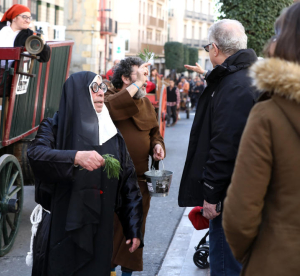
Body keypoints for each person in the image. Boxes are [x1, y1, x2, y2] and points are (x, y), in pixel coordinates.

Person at [27, 71, 144, 276]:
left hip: (100, 230)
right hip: (62, 230)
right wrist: (75, 157)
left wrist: (133, 228)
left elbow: (128, 183)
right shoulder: (54, 126)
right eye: (94, 88)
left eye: (103, 88)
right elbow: (36, 155)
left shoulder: (111, 133)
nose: (101, 94)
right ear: (77, 93)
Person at [223, 4, 300, 275]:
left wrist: (256, 255)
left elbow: (240, 214)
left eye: (278, 34)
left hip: (280, 259)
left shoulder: (269, 113)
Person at [178, 19, 258, 276]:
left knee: (226, 266)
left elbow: (225, 146)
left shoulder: (233, 86)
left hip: (230, 196)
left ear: (214, 48)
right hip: (248, 191)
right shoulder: (248, 78)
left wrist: (212, 194)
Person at [105, 57, 165, 276]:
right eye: (141, 75)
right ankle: (109, 270)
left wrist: (157, 146)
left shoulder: (146, 103)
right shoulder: (108, 98)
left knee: (136, 230)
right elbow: (112, 108)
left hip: (140, 181)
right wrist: (137, 84)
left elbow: (154, 133)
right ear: (125, 78)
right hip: (113, 180)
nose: (145, 80)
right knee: (112, 231)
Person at [0, 4, 51, 74]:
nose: (27, 20)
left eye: (29, 18)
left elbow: (44, 58)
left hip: (7, 75)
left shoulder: (29, 35)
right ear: (14, 18)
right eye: (24, 17)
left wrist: (43, 43)